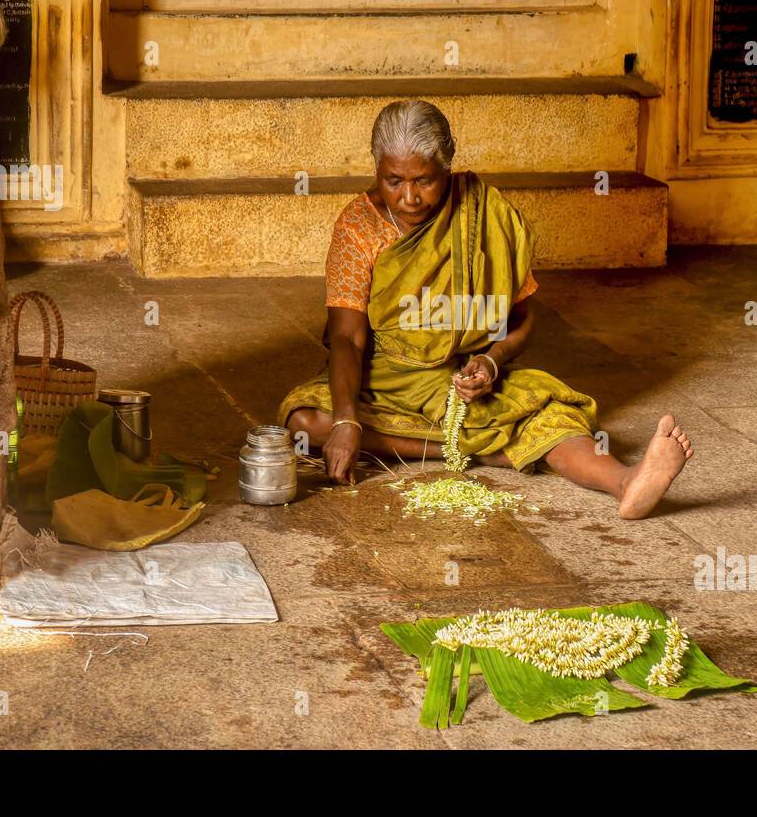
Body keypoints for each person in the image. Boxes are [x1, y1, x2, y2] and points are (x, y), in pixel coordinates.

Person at [278, 99, 692, 519]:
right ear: (377, 170)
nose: (409, 197)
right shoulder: (358, 226)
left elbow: (523, 319)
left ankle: (626, 481)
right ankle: (489, 448)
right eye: (393, 180)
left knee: (549, 415)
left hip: (459, 378)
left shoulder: (484, 215)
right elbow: (347, 336)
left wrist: (491, 363)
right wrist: (348, 421)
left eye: (424, 180)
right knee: (305, 420)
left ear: (447, 167)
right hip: (382, 374)